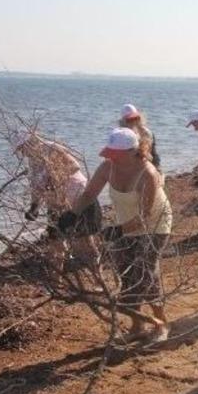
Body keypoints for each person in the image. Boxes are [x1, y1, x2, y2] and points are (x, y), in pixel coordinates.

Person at [60, 128, 172, 342]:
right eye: (109, 152)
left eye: (115, 153)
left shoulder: (147, 173)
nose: (109, 157)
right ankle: (137, 326)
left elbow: (144, 217)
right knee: (125, 274)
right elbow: (89, 194)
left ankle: (161, 324)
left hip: (155, 224)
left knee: (144, 273)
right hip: (126, 222)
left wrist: (117, 231)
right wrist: (72, 214)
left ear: (132, 152)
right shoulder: (107, 167)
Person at [13, 130, 101, 272]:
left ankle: (97, 274)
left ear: (32, 142)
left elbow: (74, 166)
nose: (23, 152)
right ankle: (57, 279)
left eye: (22, 148)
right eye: (20, 150)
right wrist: (34, 207)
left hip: (78, 197)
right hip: (56, 203)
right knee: (55, 242)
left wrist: (55, 179)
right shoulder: (33, 162)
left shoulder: (52, 148)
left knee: (84, 240)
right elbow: (36, 187)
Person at [119, 103, 161, 170]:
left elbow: (150, 156)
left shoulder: (147, 133)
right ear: (123, 122)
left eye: (136, 118)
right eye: (129, 120)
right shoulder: (120, 134)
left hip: (147, 164)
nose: (133, 121)